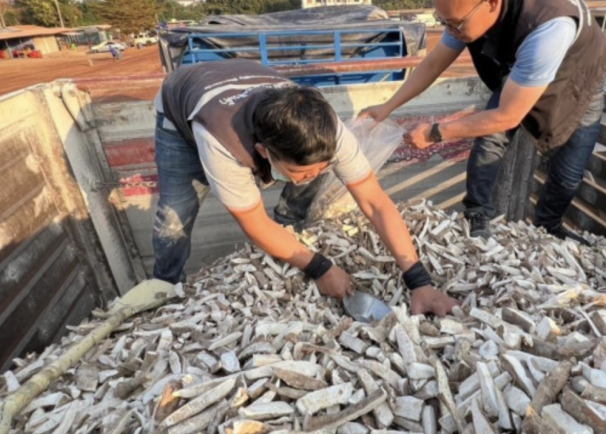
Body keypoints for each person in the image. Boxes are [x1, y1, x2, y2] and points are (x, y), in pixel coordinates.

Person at [151, 58, 458, 317]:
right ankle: (163, 291)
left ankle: (287, 234)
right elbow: (254, 223)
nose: (311, 178)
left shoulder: (328, 131)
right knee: (175, 216)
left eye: (321, 170)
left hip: (247, 82)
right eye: (301, 173)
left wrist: (419, 281)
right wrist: (320, 267)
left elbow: (376, 202)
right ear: (262, 151)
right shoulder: (220, 141)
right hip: (186, 106)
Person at [362, 0, 606, 244]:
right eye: (445, 22)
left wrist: (436, 133)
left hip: (577, 80)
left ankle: (548, 227)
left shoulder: (547, 28)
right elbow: (433, 63)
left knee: (568, 170)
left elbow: (508, 115)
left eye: (456, 23)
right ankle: (477, 214)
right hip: (520, 72)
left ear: (492, 2)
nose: (451, 30)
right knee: (489, 141)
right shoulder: (468, 7)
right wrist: (388, 107)